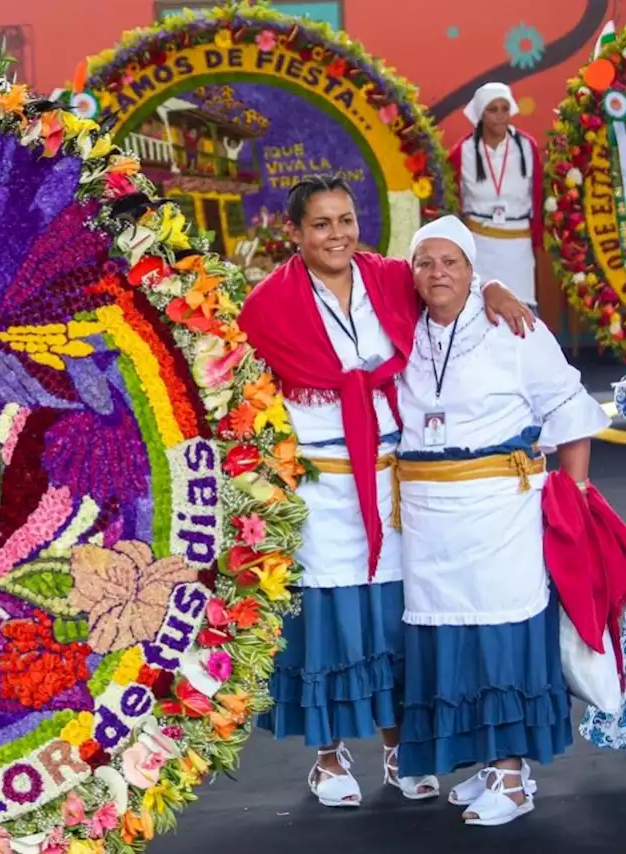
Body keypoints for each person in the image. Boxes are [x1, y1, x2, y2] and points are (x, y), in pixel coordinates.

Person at [239, 175, 534, 809]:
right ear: (294, 232)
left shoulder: (388, 277)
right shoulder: (266, 305)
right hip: (319, 489)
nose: (337, 233)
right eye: (321, 224)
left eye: (345, 219)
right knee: (334, 625)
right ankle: (328, 755)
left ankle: (403, 747)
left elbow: (444, 275)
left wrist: (497, 287)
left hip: (395, 482)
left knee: (397, 620)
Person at [394, 215, 610, 826]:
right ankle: (485, 764)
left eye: (451, 262)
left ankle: (513, 776)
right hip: (429, 522)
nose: (438, 273)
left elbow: (568, 407)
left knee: (502, 638)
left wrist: (578, 492)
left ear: (472, 269)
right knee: (450, 640)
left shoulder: (514, 329)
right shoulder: (404, 331)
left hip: (499, 514)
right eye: (426, 262)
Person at [447, 83, 544, 307]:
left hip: (517, 244)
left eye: (505, 109)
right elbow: (452, 198)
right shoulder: (464, 151)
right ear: (481, 114)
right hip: (479, 243)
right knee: (479, 305)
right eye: (493, 110)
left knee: (522, 306)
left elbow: (537, 195)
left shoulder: (526, 147)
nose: (500, 116)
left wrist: (538, 238)